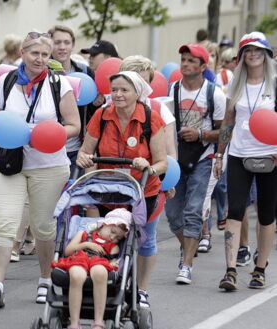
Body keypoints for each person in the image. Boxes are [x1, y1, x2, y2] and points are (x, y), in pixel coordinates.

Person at [0, 32, 81, 307]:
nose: (40, 59)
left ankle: (44, 279)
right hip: (10, 163)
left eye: (45, 54)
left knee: (43, 226)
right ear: (22, 52)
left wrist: (47, 134)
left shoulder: (59, 84)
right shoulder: (6, 81)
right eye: (34, 53)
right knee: (3, 223)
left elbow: (74, 125)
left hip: (49, 165)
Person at [76, 72, 169, 304]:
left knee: (143, 241)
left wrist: (148, 165)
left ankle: (142, 289)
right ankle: (107, 282)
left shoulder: (150, 117)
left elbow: (162, 162)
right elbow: (85, 151)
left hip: (141, 189)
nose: (117, 95)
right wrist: (84, 159)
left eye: (124, 90)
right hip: (108, 186)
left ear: (137, 93)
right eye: (114, 89)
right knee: (107, 237)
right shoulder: (102, 115)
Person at [214, 32, 277, 291]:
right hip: (239, 154)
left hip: (270, 155)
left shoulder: (274, 84)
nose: (253, 55)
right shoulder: (236, 86)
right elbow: (228, 121)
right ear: (241, 57)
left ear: (266, 54)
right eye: (248, 51)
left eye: (258, 50)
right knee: (235, 209)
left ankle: (260, 268)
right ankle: (230, 270)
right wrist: (219, 154)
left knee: (266, 214)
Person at [118, 55, 177, 307]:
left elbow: (170, 151)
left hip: (148, 182)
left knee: (146, 237)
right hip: (115, 182)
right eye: (133, 80)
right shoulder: (108, 109)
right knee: (114, 234)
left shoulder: (158, 109)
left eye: (144, 80)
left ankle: (141, 289)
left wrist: (168, 180)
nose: (139, 86)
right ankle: (115, 282)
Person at [165, 44, 225, 285]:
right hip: (177, 158)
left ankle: (186, 264)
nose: (186, 64)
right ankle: (186, 247)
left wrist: (200, 134)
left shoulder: (214, 94)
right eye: (183, 59)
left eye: (191, 61)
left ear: (203, 67)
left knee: (193, 211)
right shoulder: (173, 89)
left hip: (203, 157)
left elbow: (224, 131)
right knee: (172, 214)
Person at [53, 208, 131, 329]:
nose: (113, 237)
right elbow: (68, 251)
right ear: (104, 224)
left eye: (118, 237)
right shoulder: (83, 234)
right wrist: (86, 244)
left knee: (101, 273)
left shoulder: (113, 246)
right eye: (112, 232)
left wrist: (113, 264)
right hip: (78, 260)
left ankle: (99, 321)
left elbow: (113, 261)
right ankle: (74, 324)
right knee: (77, 276)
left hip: (99, 262)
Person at [49, 25, 99, 174]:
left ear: (73, 45)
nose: (62, 47)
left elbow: (93, 110)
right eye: (57, 43)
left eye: (66, 42)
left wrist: (98, 102)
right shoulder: (40, 71)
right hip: (48, 146)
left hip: (76, 148)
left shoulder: (85, 72)